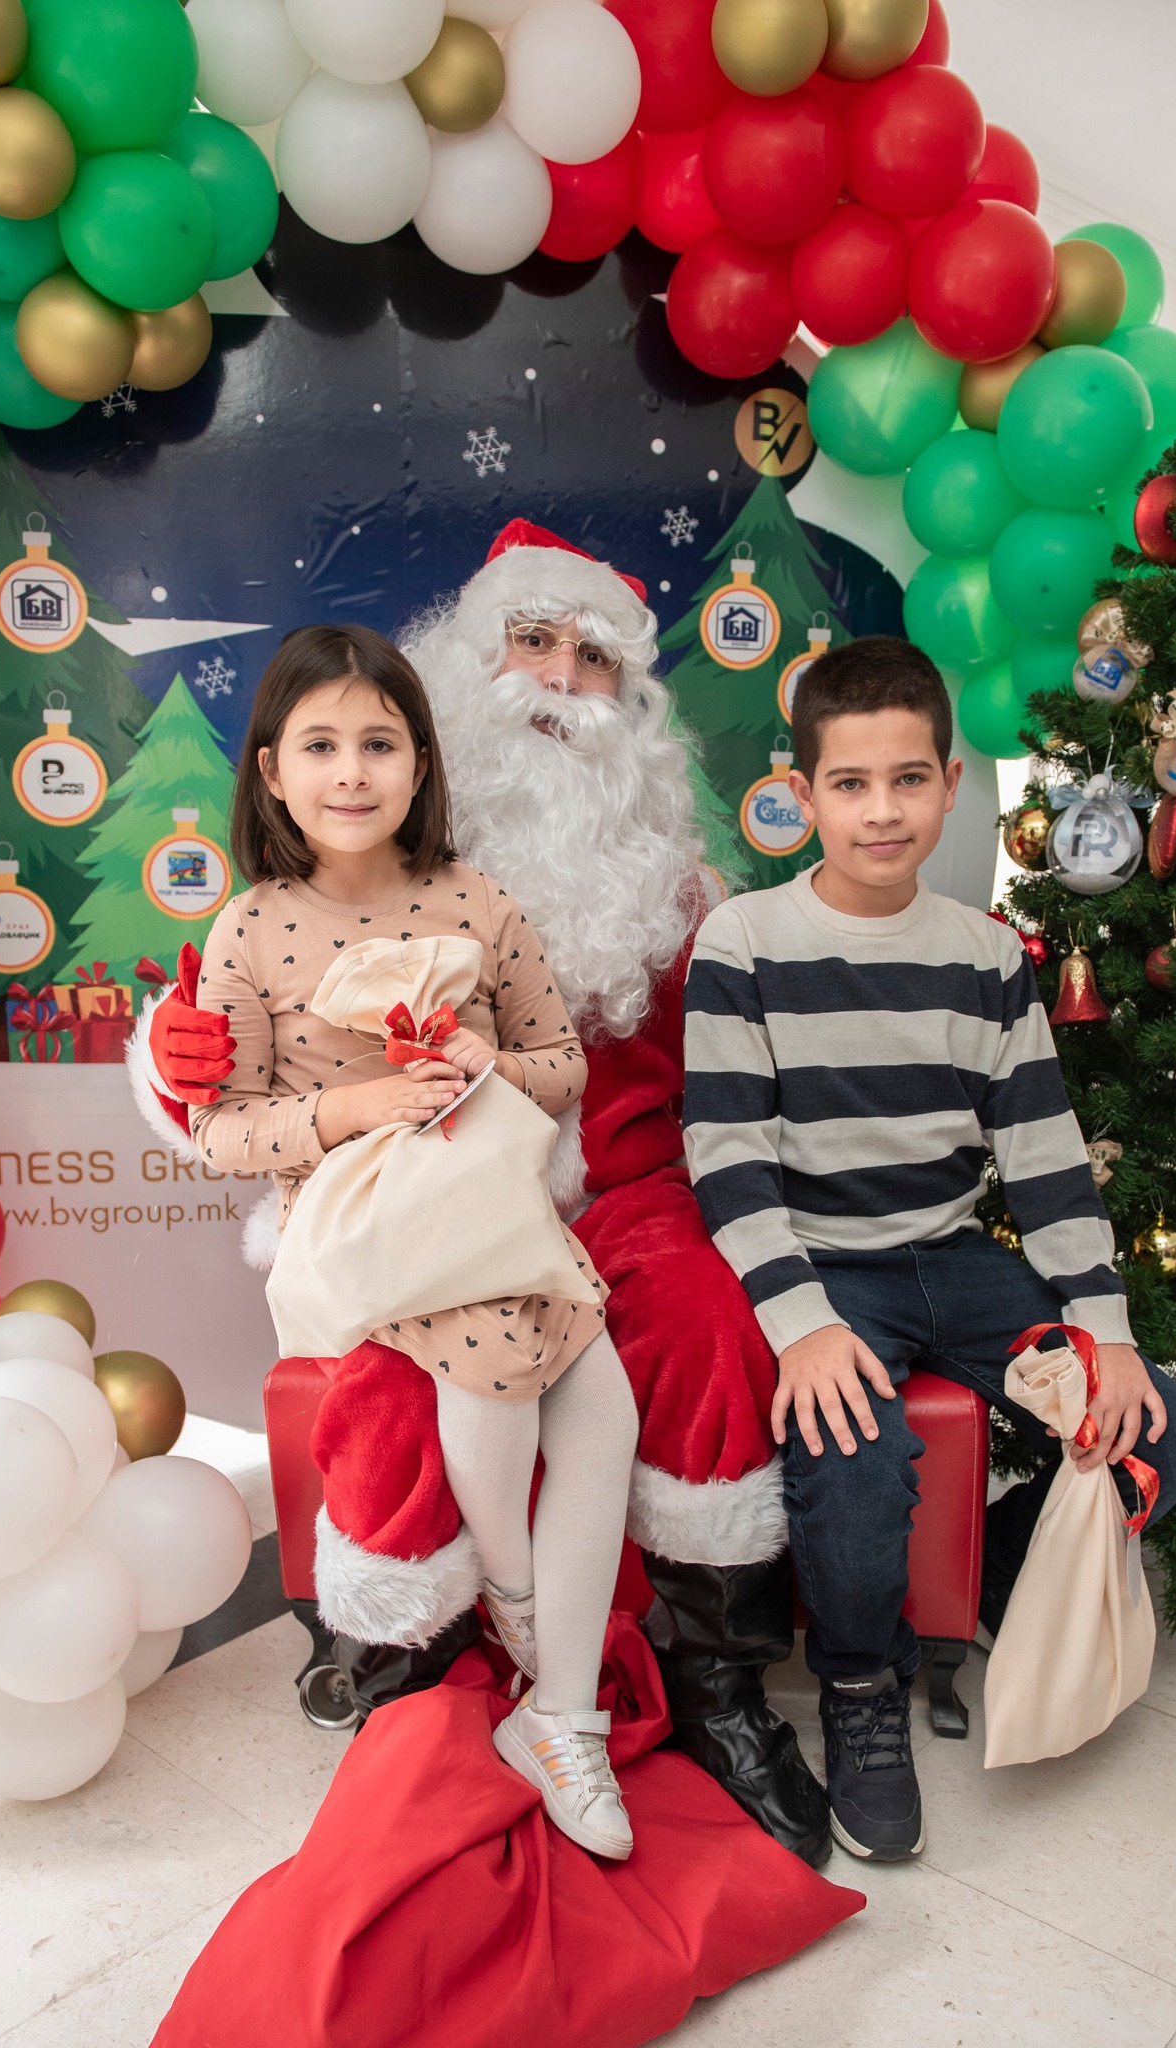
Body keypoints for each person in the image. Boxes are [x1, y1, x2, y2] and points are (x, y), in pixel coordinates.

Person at [131, 523, 831, 1867]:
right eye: (533, 642)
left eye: (593, 658)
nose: (561, 681)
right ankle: (416, 1690)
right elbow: (223, 1082)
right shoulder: (315, 889)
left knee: (697, 1323)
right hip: (415, 1206)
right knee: (393, 1405)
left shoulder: (673, 887)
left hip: (624, 1184)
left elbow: (709, 1079)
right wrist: (179, 1064)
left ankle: (718, 1682)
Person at [681, 636, 1176, 1863]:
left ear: (950, 783)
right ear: (801, 794)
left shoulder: (986, 954)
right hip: (824, 1269)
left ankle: (991, 1581)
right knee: (853, 1461)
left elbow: (1043, 1157)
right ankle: (861, 1686)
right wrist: (801, 1324)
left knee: (1165, 1433)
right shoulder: (743, 942)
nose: (881, 809)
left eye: (907, 779)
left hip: (955, 1259)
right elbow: (727, 1157)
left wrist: (1106, 1332)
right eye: (849, 783)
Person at [188, 620, 640, 1860]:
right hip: (371, 1231)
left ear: (421, 761)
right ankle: (532, 1619)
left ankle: (557, 1717)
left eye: (379, 743)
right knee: (496, 1362)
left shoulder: (476, 899)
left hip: (488, 1202)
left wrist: (490, 1062)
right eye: (320, 745)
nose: (351, 772)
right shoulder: (249, 928)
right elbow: (220, 1131)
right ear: (272, 769)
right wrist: (356, 1107)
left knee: (602, 1409)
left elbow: (562, 1065)